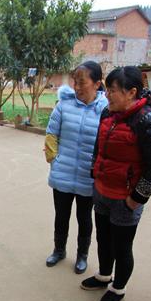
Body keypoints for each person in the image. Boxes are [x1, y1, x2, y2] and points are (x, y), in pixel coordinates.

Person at [80, 66, 151, 301]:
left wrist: (136, 198)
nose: (107, 95)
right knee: (103, 239)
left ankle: (118, 287)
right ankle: (104, 275)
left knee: (121, 246)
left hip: (125, 198)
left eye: (113, 91)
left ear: (132, 92)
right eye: (107, 90)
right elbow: (98, 147)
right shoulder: (107, 114)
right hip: (102, 190)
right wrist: (95, 173)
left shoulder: (148, 120)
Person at [44, 61, 108, 274]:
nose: (77, 87)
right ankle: (59, 250)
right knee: (61, 216)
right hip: (63, 172)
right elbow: (51, 134)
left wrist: (98, 169)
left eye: (82, 82)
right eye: (75, 82)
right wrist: (54, 160)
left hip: (88, 176)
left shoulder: (105, 110)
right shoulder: (64, 105)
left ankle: (82, 255)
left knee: (84, 218)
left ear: (97, 84)